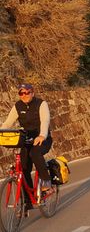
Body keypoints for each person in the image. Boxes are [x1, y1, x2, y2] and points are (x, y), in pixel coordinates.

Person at [1, 83, 53, 215]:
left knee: (35, 153)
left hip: (42, 138)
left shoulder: (41, 104)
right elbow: (8, 123)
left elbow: (45, 121)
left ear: (32, 92)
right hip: (26, 140)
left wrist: (42, 135)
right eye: (21, 93)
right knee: (23, 169)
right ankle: (28, 202)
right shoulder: (17, 106)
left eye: (27, 92)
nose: (24, 95)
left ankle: (46, 182)